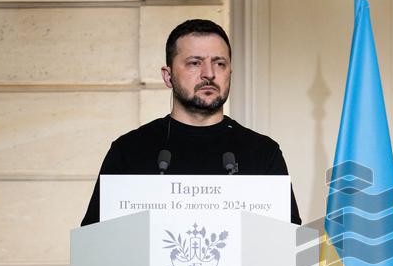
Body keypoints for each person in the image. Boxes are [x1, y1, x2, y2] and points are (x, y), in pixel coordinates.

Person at [81, 19, 301, 226]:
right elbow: (95, 245)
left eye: (220, 63)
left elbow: (289, 247)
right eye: (195, 63)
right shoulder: (128, 151)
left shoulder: (263, 153)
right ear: (168, 76)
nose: (209, 74)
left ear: (229, 73)